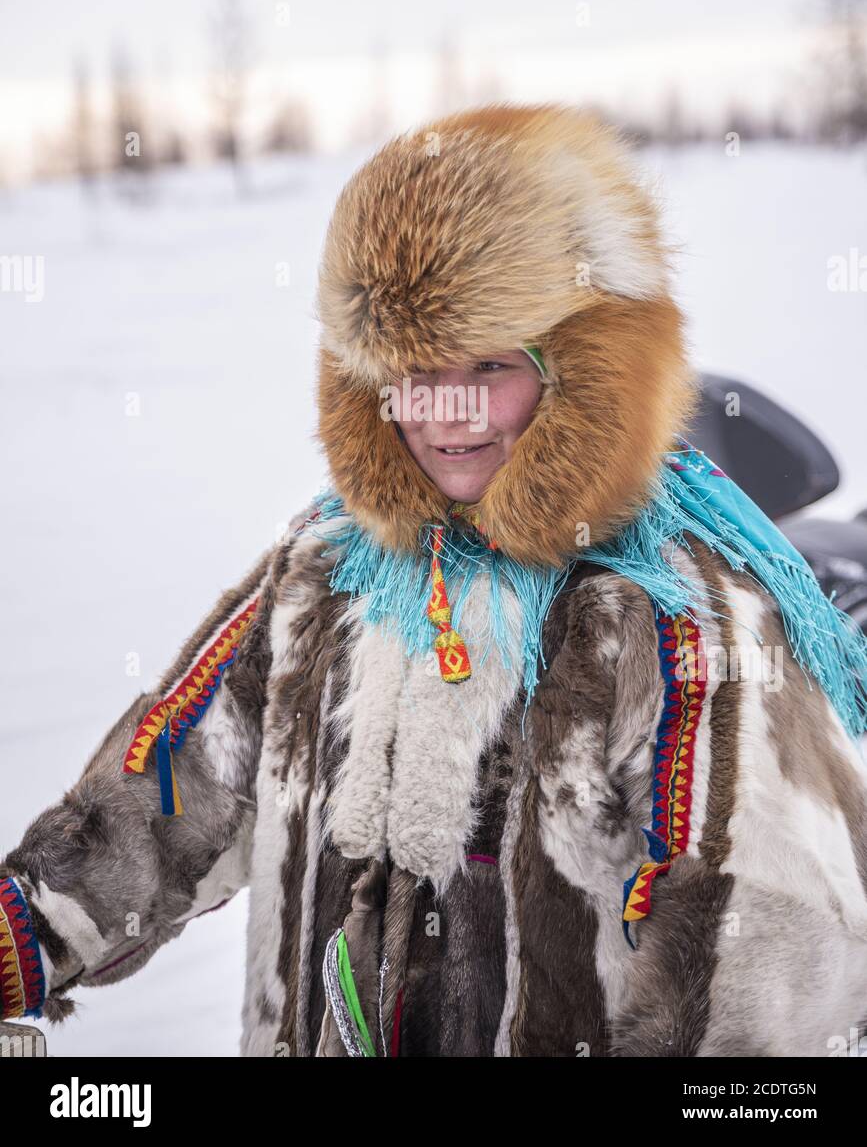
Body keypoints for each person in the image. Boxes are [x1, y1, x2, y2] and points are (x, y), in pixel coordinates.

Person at [3, 102, 867, 1058]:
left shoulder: (671, 613)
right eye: (412, 370)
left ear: (583, 368)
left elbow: (761, 945)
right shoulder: (327, 571)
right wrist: (24, 937)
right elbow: (184, 787)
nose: (447, 415)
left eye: (489, 364)